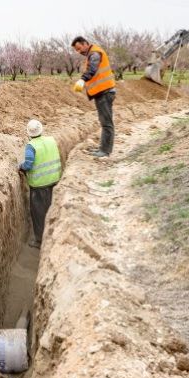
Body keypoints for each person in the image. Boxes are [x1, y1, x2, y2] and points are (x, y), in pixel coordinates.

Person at [18, 119, 62, 248]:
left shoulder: (31, 146)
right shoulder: (51, 140)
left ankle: (39, 241)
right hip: (54, 181)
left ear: (29, 133)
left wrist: (20, 166)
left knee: (38, 213)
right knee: (51, 208)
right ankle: (53, 234)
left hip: (39, 186)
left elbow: (28, 164)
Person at [71, 36, 116, 158]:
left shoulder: (95, 53)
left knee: (106, 123)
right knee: (105, 122)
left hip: (104, 92)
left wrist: (82, 79)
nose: (79, 52)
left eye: (79, 48)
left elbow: (93, 69)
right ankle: (103, 148)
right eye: (77, 50)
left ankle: (105, 151)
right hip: (102, 92)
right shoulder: (92, 53)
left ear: (85, 43)